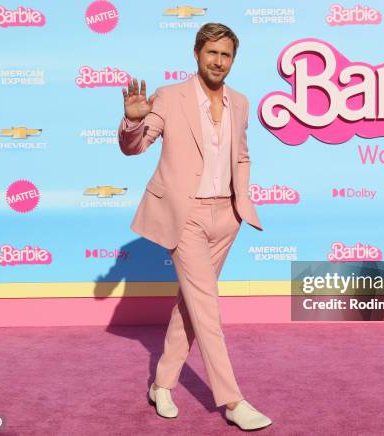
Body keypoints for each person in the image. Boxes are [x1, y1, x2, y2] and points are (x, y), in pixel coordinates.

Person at [117, 23, 272, 431]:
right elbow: (136, 146)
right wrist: (133, 122)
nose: (218, 61)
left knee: (190, 306)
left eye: (226, 55)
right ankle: (234, 402)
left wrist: (242, 203)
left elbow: (241, 155)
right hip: (185, 216)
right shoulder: (170, 96)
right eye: (212, 53)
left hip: (227, 218)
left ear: (233, 60)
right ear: (197, 54)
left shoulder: (240, 102)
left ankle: (162, 383)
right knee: (207, 309)